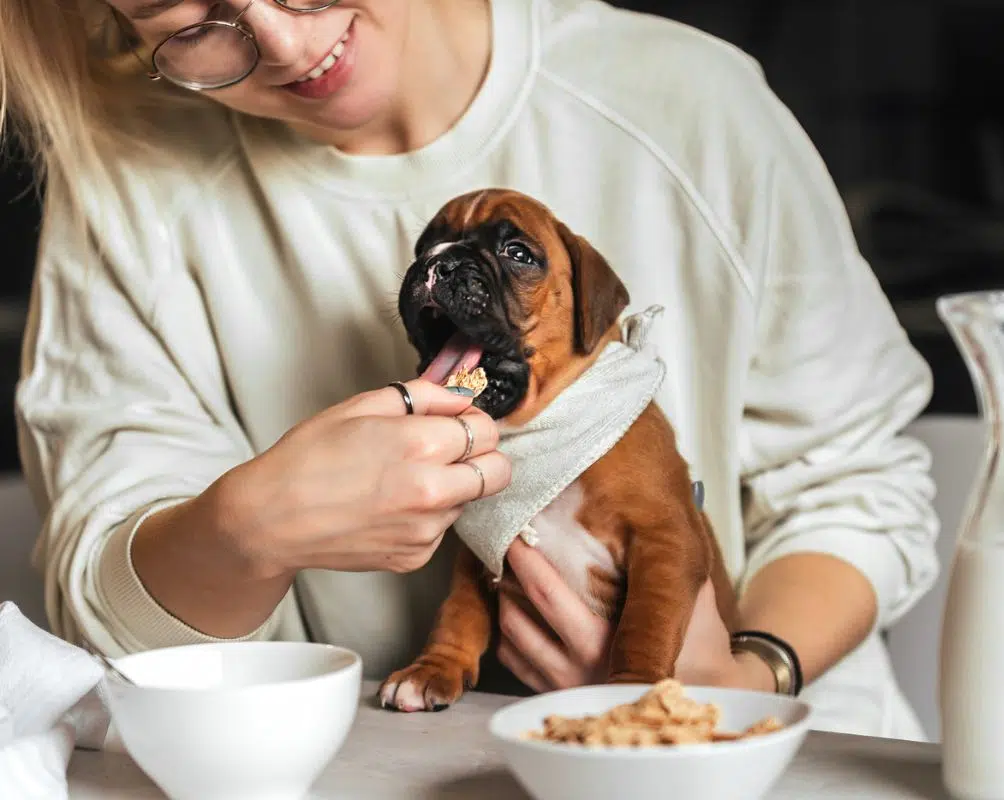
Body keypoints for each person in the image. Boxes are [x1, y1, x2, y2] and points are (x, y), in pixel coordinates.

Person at [1, 0, 941, 740]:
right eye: (185, 14)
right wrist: (243, 532)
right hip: (409, 764)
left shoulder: (689, 102)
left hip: (785, 755)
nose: (284, 41)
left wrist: (741, 677)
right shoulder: (126, 182)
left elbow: (861, 485)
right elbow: (97, 614)